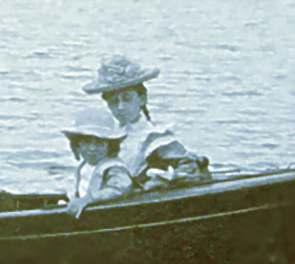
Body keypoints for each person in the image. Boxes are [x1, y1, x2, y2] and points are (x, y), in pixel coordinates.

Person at [83, 54, 210, 190]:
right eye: (114, 101)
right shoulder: (108, 136)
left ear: (142, 99)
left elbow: (189, 170)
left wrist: (161, 181)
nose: (120, 106)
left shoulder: (155, 138)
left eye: (127, 98)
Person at [61, 109, 133, 216]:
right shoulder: (84, 166)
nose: (92, 149)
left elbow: (118, 188)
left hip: (108, 215)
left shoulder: (114, 168)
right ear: (77, 146)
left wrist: (88, 199)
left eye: (99, 143)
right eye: (86, 142)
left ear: (110, 146)